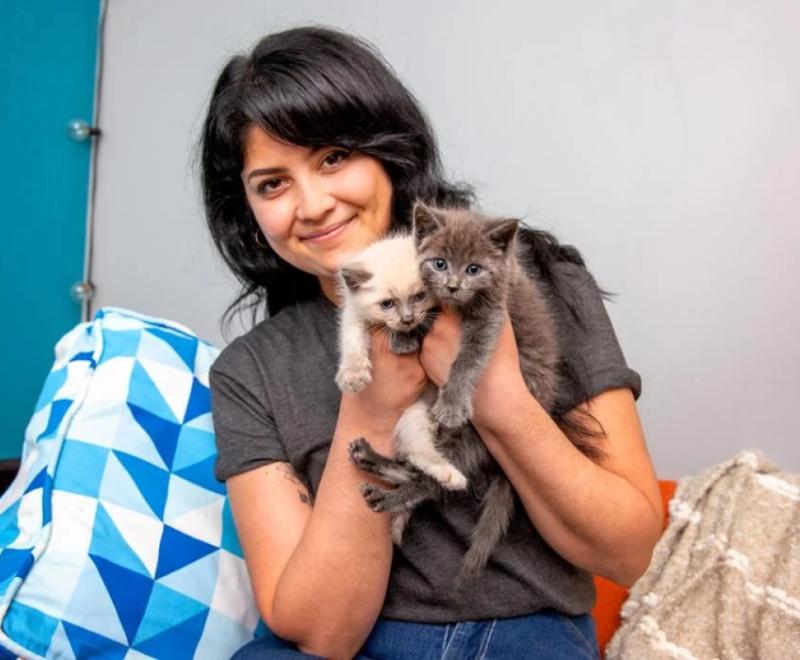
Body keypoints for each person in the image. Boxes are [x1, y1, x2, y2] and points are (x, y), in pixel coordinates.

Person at [201, 26, 663, 660]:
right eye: (272, 184)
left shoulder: (537, 282)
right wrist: (371, 411)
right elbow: (319, 633)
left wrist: (494, 392)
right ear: (247, 211)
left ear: (388, 152)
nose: (312, 204)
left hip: (521, 634)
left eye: (333, 157)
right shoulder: (249, 371)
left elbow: (632, 552)